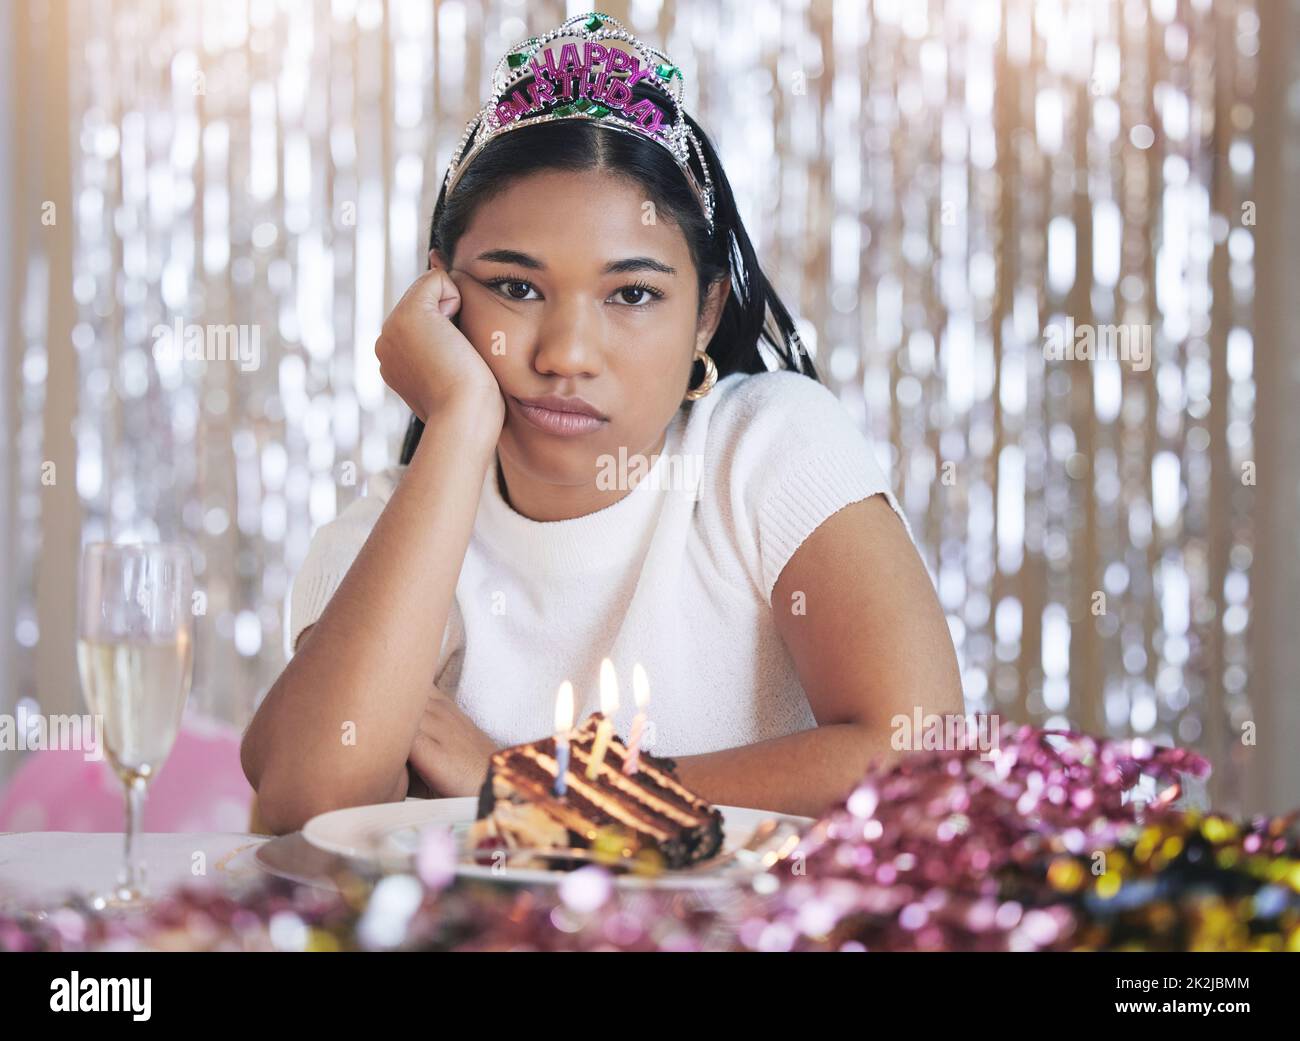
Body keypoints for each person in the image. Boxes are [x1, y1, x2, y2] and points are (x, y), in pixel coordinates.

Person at [241, 13, 963, 835]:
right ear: (440, 295)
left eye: (631, 295)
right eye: (516, 287)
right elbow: (304, 807)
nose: (566, 355)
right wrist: (460, 420)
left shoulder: (767, 449)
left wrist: (543, 791)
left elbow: (926, 761)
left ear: (704, 317)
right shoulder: (399, 526)